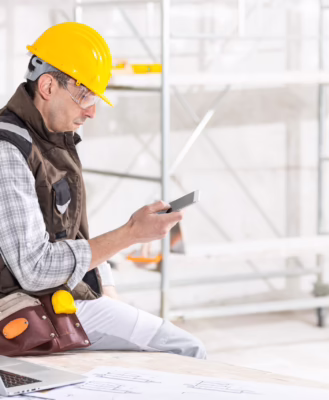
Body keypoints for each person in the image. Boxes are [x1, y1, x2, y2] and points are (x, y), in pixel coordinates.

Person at [0, 22, 206, 359]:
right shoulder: (9, 150)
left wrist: (106, 288)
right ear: (49, 85)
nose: (92, 111)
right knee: (186, 349)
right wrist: (130, 234)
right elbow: (34, 269)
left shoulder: (53, 140)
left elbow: (75, 233)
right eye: (84, 95)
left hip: (65, 294)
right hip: (29, 306)